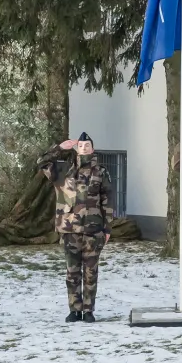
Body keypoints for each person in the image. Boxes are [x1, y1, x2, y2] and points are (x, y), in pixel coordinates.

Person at [39, 132, 113, 322]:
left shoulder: (101, 172)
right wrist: (59, 149)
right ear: (76, 149)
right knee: (72, 273)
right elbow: (41, 162)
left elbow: (107, 201)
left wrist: (107, 229)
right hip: (69, 230)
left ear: (92, 149)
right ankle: (75, 310)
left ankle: (88, 310)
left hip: (93, 231)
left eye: (87, 145)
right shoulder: (63, 171)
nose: (84, 148)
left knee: (90, 272)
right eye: (80, 145)